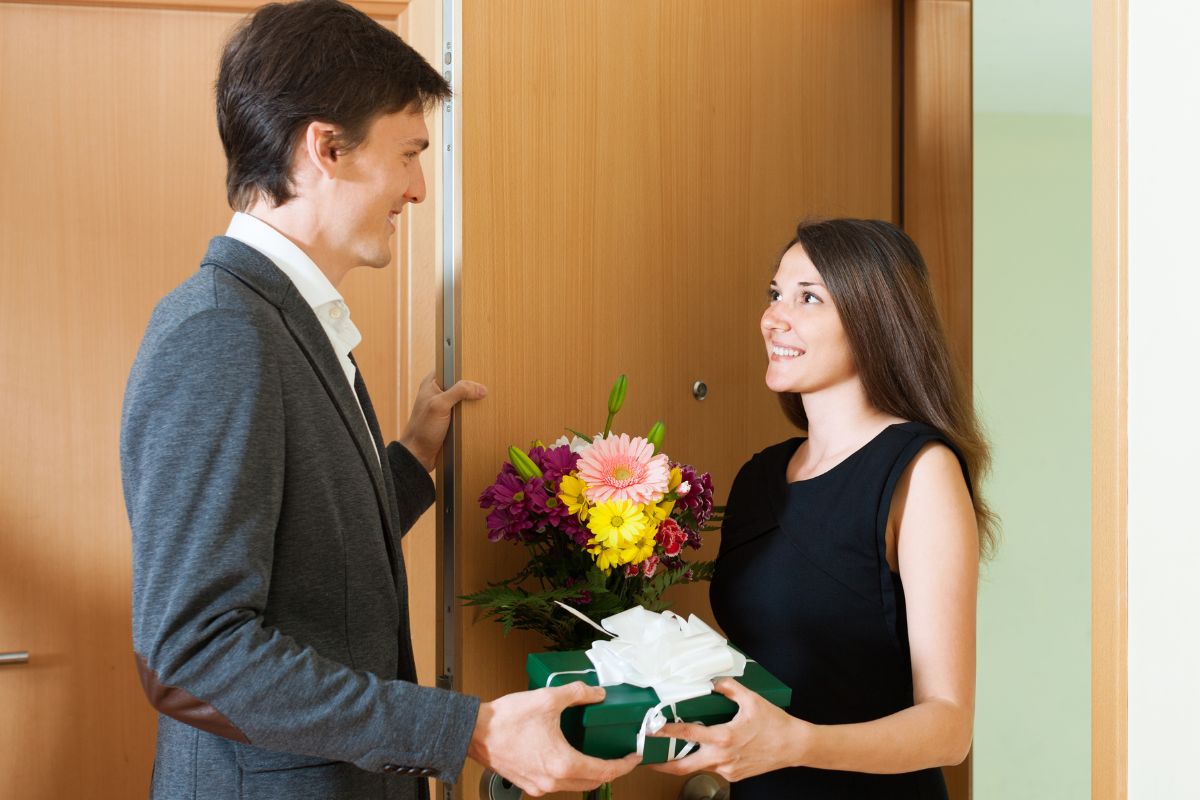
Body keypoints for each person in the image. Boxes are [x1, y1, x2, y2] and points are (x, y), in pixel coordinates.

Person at [119, 2, 639, 798]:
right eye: (407, 155)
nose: (420, 188)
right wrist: (468, 730)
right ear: (324, 147)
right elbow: (193, 651)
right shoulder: (223, 334)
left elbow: (306, 556)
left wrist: (409, 461)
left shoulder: (290, 320)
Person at [652, 218, 996, 798]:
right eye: (775, 294)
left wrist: (797, 743)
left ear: (874, 322)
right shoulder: (761, 475)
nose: (774, 317)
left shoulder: (919, 468)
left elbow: (949, 727)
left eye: (808, 297)